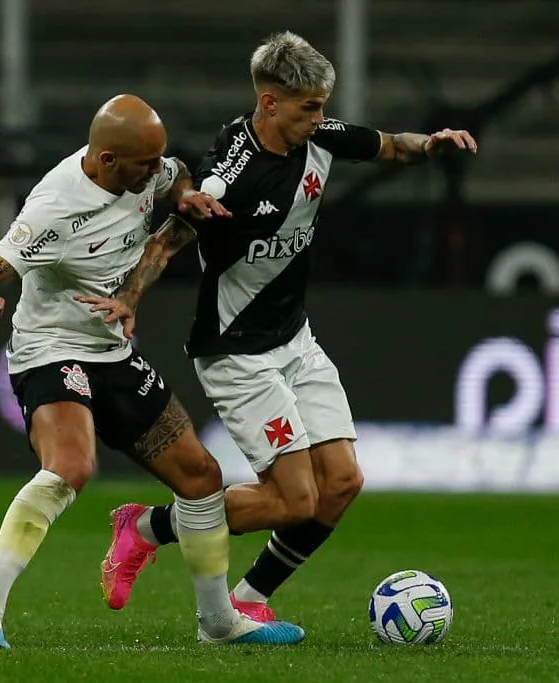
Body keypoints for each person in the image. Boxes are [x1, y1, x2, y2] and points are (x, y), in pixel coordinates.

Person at [80, 33, 478, 623]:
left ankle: (251, 600)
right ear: (269, 103)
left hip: (296, 339)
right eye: (308, 108)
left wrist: (433, 143)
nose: (320, 119)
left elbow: (392, 147)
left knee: (341, 483)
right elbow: (172, 235)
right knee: (294, 501)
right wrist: (130, 296)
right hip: (236, 350)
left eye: (321, 106)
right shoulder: (233, 173)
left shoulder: (318, 134)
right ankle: (144, 526)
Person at [0, 94, 305, 648]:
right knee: (71, 467)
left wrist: (184, 191)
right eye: (145, 163)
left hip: (112, 350)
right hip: (53, 350)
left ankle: (217, 622)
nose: (155, 171)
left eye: (158, 159)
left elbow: (178, 172)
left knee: (201, 478)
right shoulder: (54, 210)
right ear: (108, 159)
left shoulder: (146, 169)